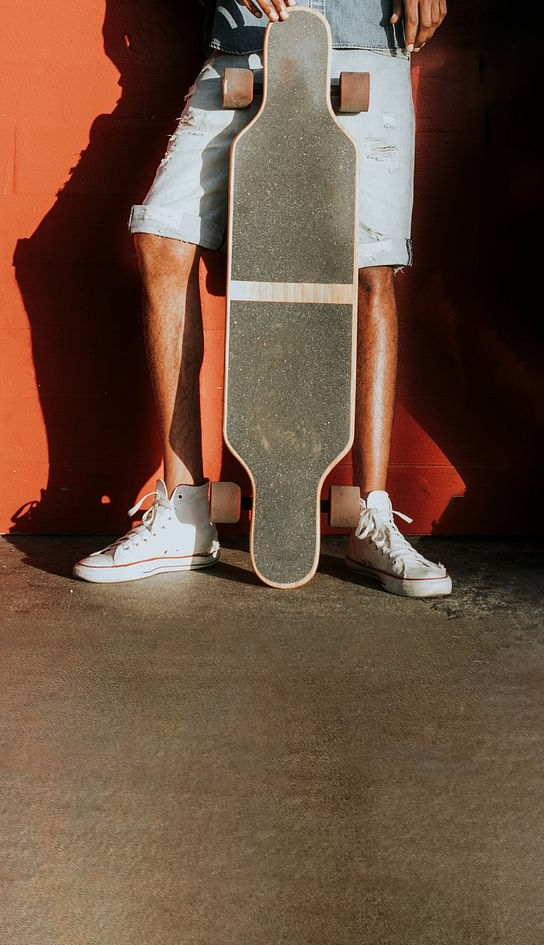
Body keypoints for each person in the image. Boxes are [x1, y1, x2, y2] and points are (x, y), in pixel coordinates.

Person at [73, 0, 452, 598]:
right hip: (243, 50)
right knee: (162, 238)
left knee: (373, 268)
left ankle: (371, 516)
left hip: (369, 43)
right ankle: (186, 510)